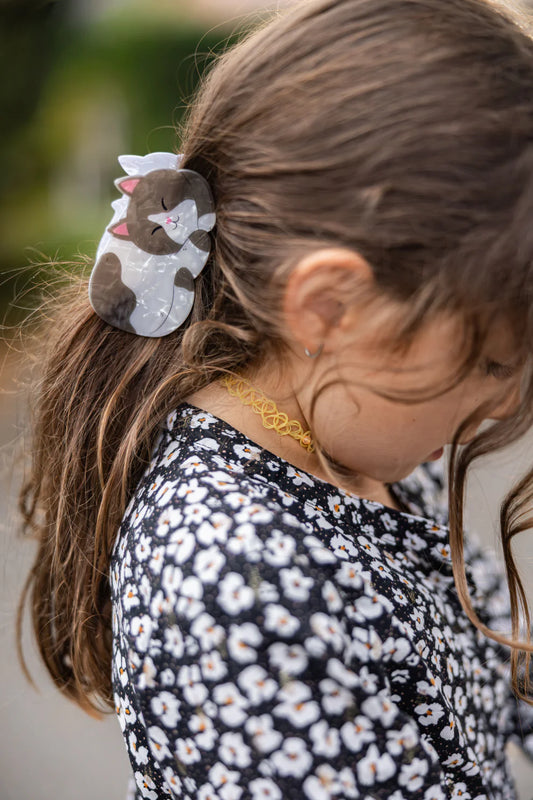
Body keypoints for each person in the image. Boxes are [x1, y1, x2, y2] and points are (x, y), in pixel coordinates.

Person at [15, 0, 533, 797]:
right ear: (329, 308)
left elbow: (493, 674)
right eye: (494, 361)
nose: (504, 406)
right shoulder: (240, 585)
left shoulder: (359, 446)